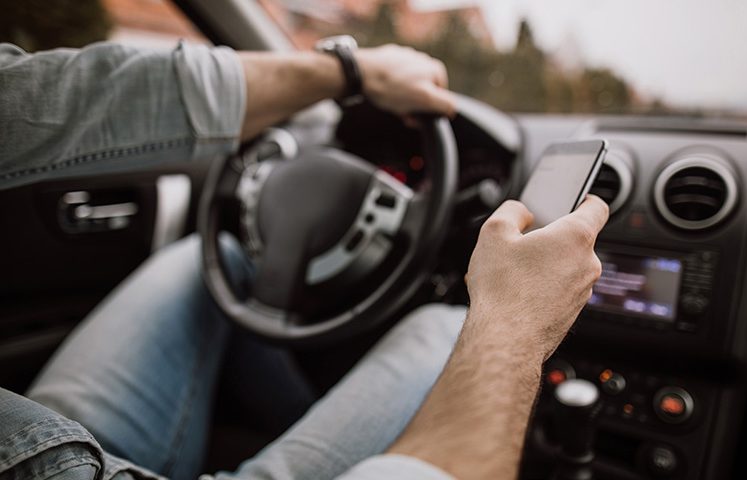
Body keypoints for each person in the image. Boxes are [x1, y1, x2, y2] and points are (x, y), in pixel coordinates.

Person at [0, 39, 608, 480]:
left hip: (46, 447)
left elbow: (40, 97)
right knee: (448, 327)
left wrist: (347, 70)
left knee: (211, 262)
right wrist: (512, 328)